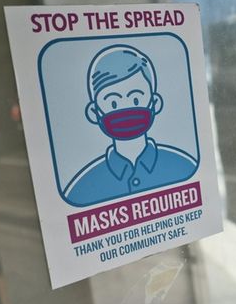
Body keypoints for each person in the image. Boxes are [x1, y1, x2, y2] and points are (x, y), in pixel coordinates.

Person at [63, 45, 197, 206]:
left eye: (136, 99)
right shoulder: (80, 192)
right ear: (94, 112)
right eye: (113, 103)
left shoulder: (187, 169)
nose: (126, 110)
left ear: (154, 103)